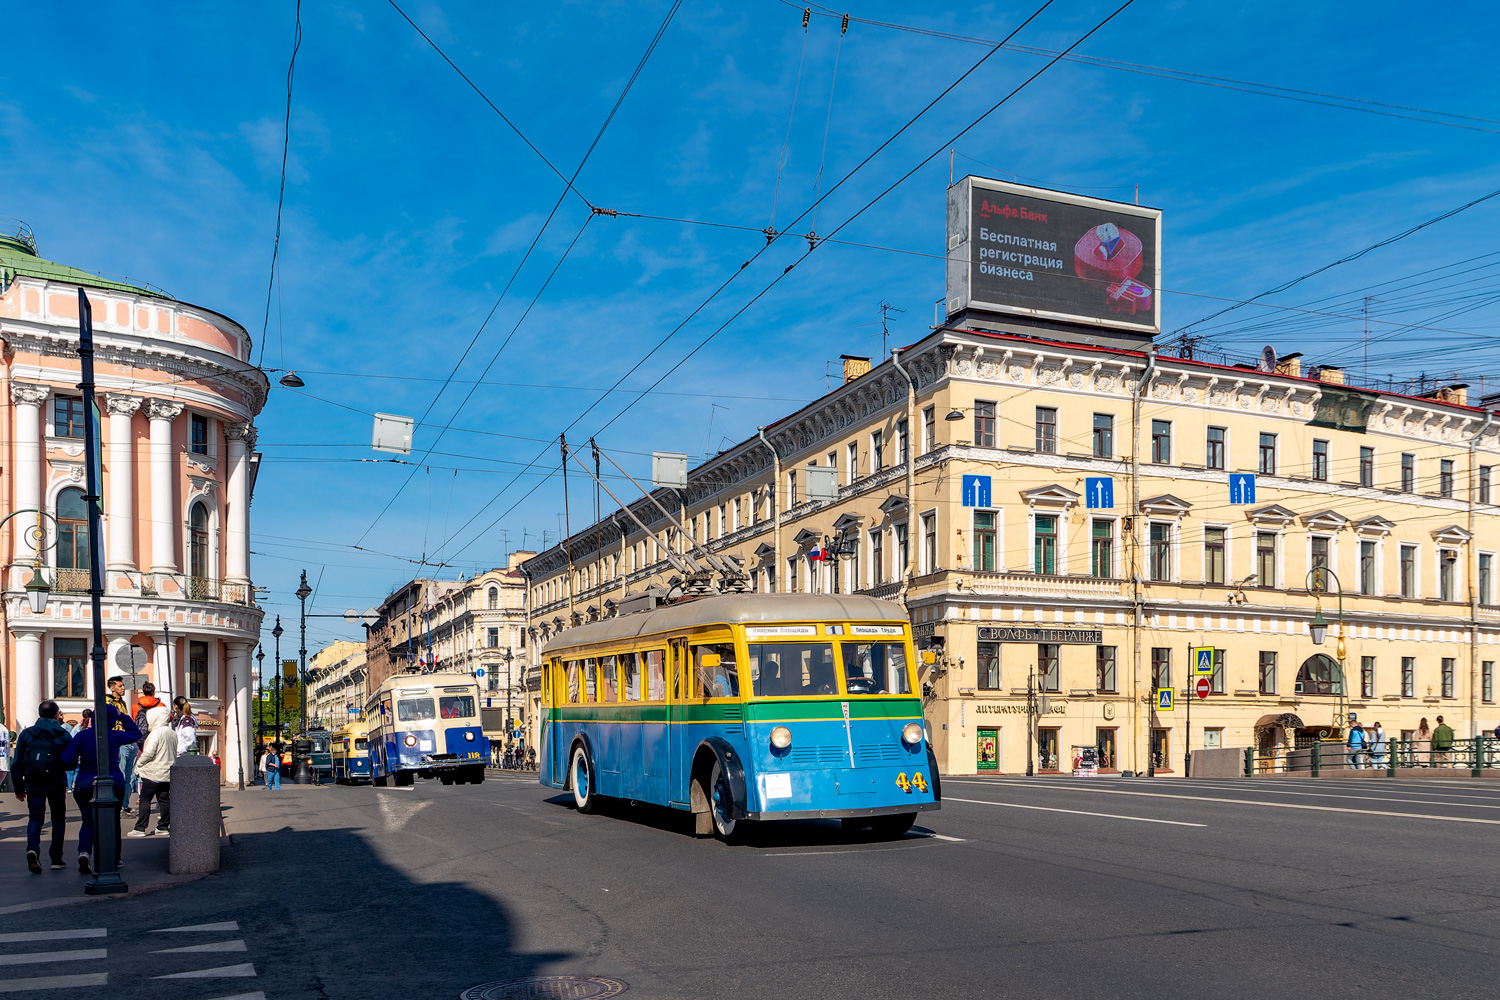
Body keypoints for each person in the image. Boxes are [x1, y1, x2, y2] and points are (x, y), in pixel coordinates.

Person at [61, 704, 140, 874]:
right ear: (112, 720)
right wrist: (122, 717)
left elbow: (67, 760)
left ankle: (84, 852)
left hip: (84, 782)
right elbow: (136, 734)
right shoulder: (115, 735)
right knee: (112, 821)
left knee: (88, 821)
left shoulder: (82, 736)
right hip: (113, 782)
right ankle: (114, 857)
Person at [13, 701, 72, 873]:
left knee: (35, 819)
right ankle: (56, 858)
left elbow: (17, 763)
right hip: (56, 782)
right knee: (58, 820)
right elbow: (69, 762)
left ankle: (32, 849)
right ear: (56, 715)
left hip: (33, 782)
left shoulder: (27, 734)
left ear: (39, 714)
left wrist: (19, 788)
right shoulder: (63, 735)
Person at [129, 706, 176, 838]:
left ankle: (140, 828)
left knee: (145, 799)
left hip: (152, 772)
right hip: (167, 772)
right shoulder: (171, 733)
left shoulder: (155, 733)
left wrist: (139, 764)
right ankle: (163, 827)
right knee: (164, 799)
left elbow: (149, 753)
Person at [106, 675, 137, 816]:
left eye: (123, 685)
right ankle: (118, 807)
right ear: (112, 688)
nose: (123, 688)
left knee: (130, 777)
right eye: (120, 686)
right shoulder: (108, 702)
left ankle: (124, 805)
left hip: (128, 741)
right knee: (121, 775)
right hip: (119, 742)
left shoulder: (122, 703)